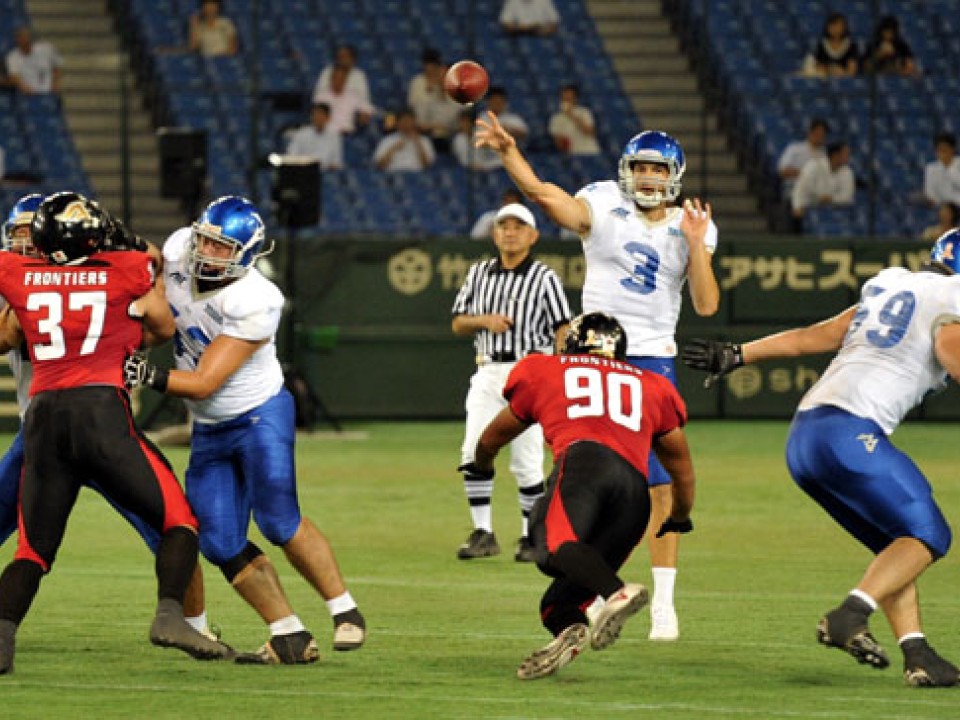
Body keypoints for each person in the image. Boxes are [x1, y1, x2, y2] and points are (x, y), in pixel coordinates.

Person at [475, 115, 719, 641]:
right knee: (577, 474)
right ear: (626, 170)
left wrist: (697, 244)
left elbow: (705, 302)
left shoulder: (692, 222)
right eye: (641, 167)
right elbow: (546, 196)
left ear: (673, 174)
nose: (649, 178)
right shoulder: (604, 202)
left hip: (650, 358)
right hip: (588, 355)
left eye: (658, 169)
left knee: (657, 484)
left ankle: (663, 605)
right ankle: (591, 590)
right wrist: (508, 151)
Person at [681, 229, 960, 688]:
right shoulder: (951, 297)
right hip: (851, 432)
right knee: (929, 535)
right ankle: (850, 615)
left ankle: (918, 652)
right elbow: (951, 351)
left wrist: (737, 353)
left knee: (897, 545)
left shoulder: (890, 282)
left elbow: (818, 335)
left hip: (806, 436)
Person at [123, 195, 366, 664]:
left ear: (248, 254)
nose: (207, 253)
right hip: (212, 427)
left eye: (221, 248)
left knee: (277, 519)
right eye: (206, 242)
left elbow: (204, 382)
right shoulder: (178, 249)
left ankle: (346, 611)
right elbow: (150, 258)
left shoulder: (256, 297)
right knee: (218, 542)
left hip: (258, 415)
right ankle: (289, 634)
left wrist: (145, 374)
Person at [0, 192, 235, 673]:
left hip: (43, 420)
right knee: (179, 522)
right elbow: (162, 321)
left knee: (33, 550)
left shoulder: (15, 272)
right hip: (101, 413)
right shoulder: (126, 266)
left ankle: (3, 638)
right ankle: (171, 615)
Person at [471, 312, 696, 679]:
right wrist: (681, 515)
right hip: (634, 495)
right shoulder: (652, 385)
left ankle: (617, 593)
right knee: (558, 599)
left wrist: (480, 464)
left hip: (586, 465)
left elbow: (493, 437)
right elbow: (682, 469)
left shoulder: (545, 370)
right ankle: (566, 633)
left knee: (549, 543)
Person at [452, 202, 571, 562]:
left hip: (530, 369)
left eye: (519, 226)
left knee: (527, 460)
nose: (510, 231)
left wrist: (559, 370)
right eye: (504, 225)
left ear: (533, 236)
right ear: (494, 233)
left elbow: (563, 327)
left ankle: (530, 536)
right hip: (489, 368)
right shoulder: (478, 274)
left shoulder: (545, 278)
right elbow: (458, 322)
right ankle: (482, 531)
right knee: (474, 450)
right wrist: (484, 321)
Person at [406, 48, 461, 153]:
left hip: (452, 134)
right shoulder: (428, 95)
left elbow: (463, 121)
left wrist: (446, 127)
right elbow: (419, 120)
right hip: (430, 135)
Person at [790, 140, 855, 222]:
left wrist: (831, 199)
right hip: (810, 209)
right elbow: (800, 188)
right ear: (835, 155)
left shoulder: (848, 172)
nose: (848, 156)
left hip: (835, 211)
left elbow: (847, 196)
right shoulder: (813, 166)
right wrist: (798, 206)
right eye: (846, 154)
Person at [312, 64, 375, 134]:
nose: (339, 81)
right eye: (336, 78)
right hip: (328, 135)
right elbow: (316, 117)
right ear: (331, 79)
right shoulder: (321, 96)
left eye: (342, 79)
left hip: (348, 135)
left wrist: (364, 114)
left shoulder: (352, 96)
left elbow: (369, 109)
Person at [777, 118, 829, 197]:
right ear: (810, 133)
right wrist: (804, 174)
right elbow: (782, 171)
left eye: (822, 135)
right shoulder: (794, 148)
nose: (820, 137)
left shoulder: (824, 155)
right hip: (795, 188)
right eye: (817, 134)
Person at [284, 102, 343, 169]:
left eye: (321, 115)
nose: (317, 118)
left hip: (326, 173)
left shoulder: (334, 137)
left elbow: (336, 161)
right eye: (315, 115)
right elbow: (291, 156)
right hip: (304, 170)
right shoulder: (301, 134)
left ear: (328, 118)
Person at [5, 26, 62, 94]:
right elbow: (14, 76)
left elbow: (56, 66)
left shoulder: (47, 49)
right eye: (20, 37)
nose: (23, 39)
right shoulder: (12, 56)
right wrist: (23, 86)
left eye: (25, 36)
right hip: (28, 93)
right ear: (17, 40)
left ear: (30, 37)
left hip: (48, 91)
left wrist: (55, 83)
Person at [547, 84, 600, 156]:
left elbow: (589, 131)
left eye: (569, 98)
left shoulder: (584, 112)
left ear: (575, 99)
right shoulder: (556, 118)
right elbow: (558, 142)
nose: (567, 101)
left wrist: (572, 115)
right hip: (572, 155)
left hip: (590, 152)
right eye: (564, 98)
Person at [804, 12, 859, 77]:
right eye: (833, 25)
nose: (836, 29)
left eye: (839, 26)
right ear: (827, 27)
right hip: (825, 79)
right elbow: (819, 66)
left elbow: (852, 70)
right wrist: (831, 69)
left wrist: (842, 74)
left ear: (844, 27)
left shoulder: (851, 45)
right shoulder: (822, 45)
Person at [922, 133, 960, 207]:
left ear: (953, 149)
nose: (942, 153)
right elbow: (931, 195)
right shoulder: (931, 169)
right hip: (942, 208)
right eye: (939, 150)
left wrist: (949, 168)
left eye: (945, 150)